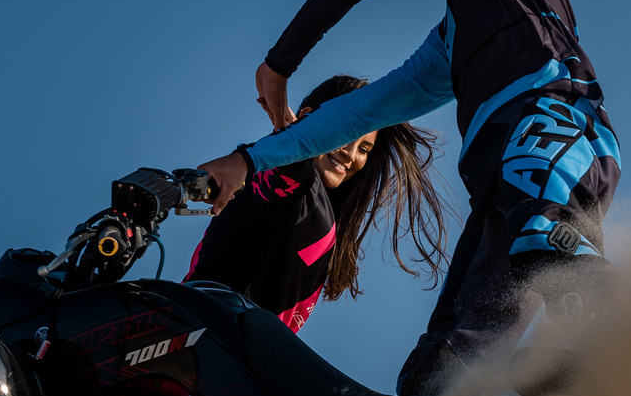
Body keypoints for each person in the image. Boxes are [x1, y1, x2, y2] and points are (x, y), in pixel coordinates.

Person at [200, 0, 620, 396]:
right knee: (435, 378)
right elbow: (362, 111)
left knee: (552, 253)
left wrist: (280, 62)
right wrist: (249, 159)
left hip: (551, 129)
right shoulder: (457, 37)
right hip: (503, 190)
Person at [186, 74, 449, 332]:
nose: (350, 153)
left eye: (364, 149)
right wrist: (291, 133)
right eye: (347, 131)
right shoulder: (287, 177)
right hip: (198, 333)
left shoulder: (323, 215)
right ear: (309, 117)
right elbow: (291, 170)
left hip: (243, 364)